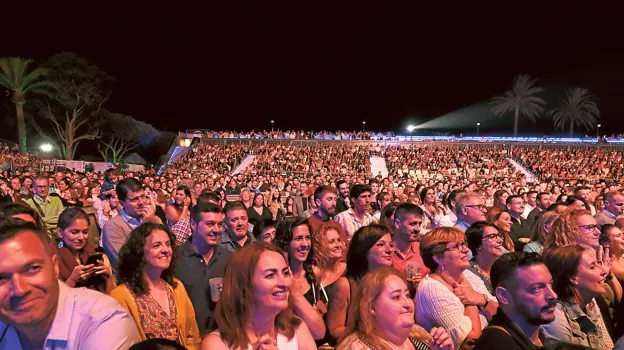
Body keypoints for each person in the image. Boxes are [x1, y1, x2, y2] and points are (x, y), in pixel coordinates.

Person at [0, 219, 139, 349]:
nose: (19, 290)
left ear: (55, 267)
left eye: (32, 269)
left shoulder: (104, 320)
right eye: (1, 278)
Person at [201, 243, 316, 349]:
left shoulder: (296, 329)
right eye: (270, 275)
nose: (284, 283)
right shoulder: (216, 344)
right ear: (244, 284)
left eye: (285, 273)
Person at [111, 223, 200, 349]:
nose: (166, 250)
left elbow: (192, 335)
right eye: (156, 245)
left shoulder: (176, 286)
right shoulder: (120, 296)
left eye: (168, 244)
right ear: (139, 251)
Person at [337, 267, 454, 350]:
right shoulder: (357, 347)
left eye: (407, 295)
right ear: (372, 307)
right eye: (396, 297)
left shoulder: (417, 333)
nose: (407, 303)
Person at [415, 227, 484, 349]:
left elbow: (500, 310)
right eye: (456, 246)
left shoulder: (465, 275)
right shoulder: (433, 290)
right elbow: (471, 342)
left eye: (463, 244)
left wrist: (482, 300)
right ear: (438, 258)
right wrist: (470, 301)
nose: (466, 250)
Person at [474, 252, 559, 350]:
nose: (553, 295)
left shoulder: (537, 336)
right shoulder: (495, 345)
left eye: (550, 284)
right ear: (503, 295)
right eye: (537, 288)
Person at [327, 224, 394, 342]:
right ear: (364, 250)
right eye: (381, 244)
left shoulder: (391, 281)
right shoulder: (346, 285)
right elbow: (335, 330)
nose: (389, 250)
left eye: (391, 244)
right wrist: (373, 334)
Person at [541, 245, 614, 349]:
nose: (603, 271)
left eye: (598, 264)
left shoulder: (589, 308)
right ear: (573, 277)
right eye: (592, 267)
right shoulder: (556, 318)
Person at [176, 202, 233, 333]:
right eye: (210, 224)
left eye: (219, 224)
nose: (216, 230)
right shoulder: (176, 259)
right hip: (186, 339)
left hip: (220, 336)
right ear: (193, 225)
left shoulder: (228, 258)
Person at [274, 217, 326, 341]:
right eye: (298, 239)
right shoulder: (274, 278)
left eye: (307, 238)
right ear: (285, 242)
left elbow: (316, 305)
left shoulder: (314, 273)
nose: (305, 244)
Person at [55, 207, 115, 294]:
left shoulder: (89, 250)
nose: (81, 238)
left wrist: (107, 277)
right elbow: (55, 300)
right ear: (60, 232)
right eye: (74, 232)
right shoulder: (53, 257)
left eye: (85, 232)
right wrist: (72, 280)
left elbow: (110, 294)